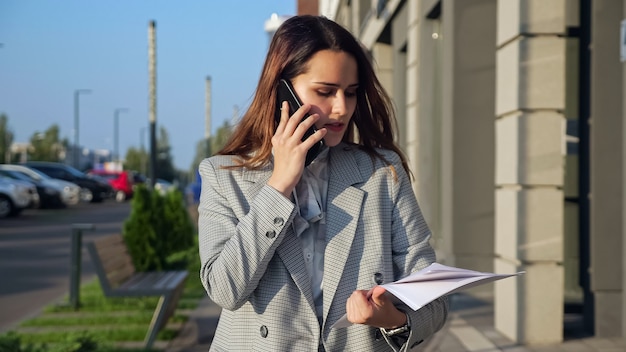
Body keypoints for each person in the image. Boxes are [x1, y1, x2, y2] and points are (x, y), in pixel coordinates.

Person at [198, 15, 448, 351]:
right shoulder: (224, 175)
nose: (341, 108)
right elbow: (225, 289)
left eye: (351, 92)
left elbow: (434, 296)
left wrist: (393, 320)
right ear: (282, 90)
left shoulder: (381, 174)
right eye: (325, 91)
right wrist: (279, 186)